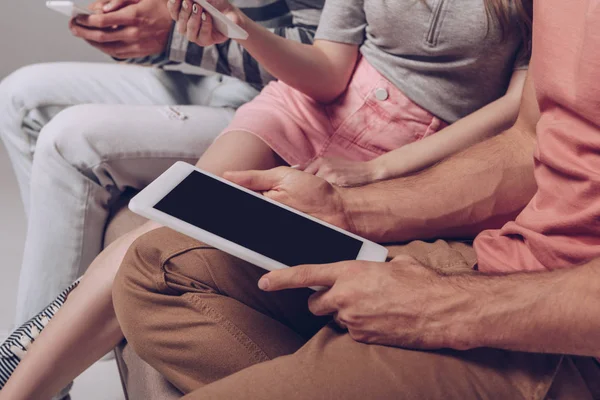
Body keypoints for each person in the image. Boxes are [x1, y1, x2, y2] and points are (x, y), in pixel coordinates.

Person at [0, 0, 532, 398]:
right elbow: (327, 72)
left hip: (416, 145)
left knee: (171, 237)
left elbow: (518, 107)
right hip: (302, 110)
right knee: (170, 222)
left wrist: (380, 168)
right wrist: (242, 28)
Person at [0, 0, 322, 397]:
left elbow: (325, 59)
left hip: (279, 96)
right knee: (19, 97)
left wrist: (171, 37)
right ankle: (35, 360)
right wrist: (126, 30)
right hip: (210, 76)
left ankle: (26, 360)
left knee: (71, 139)